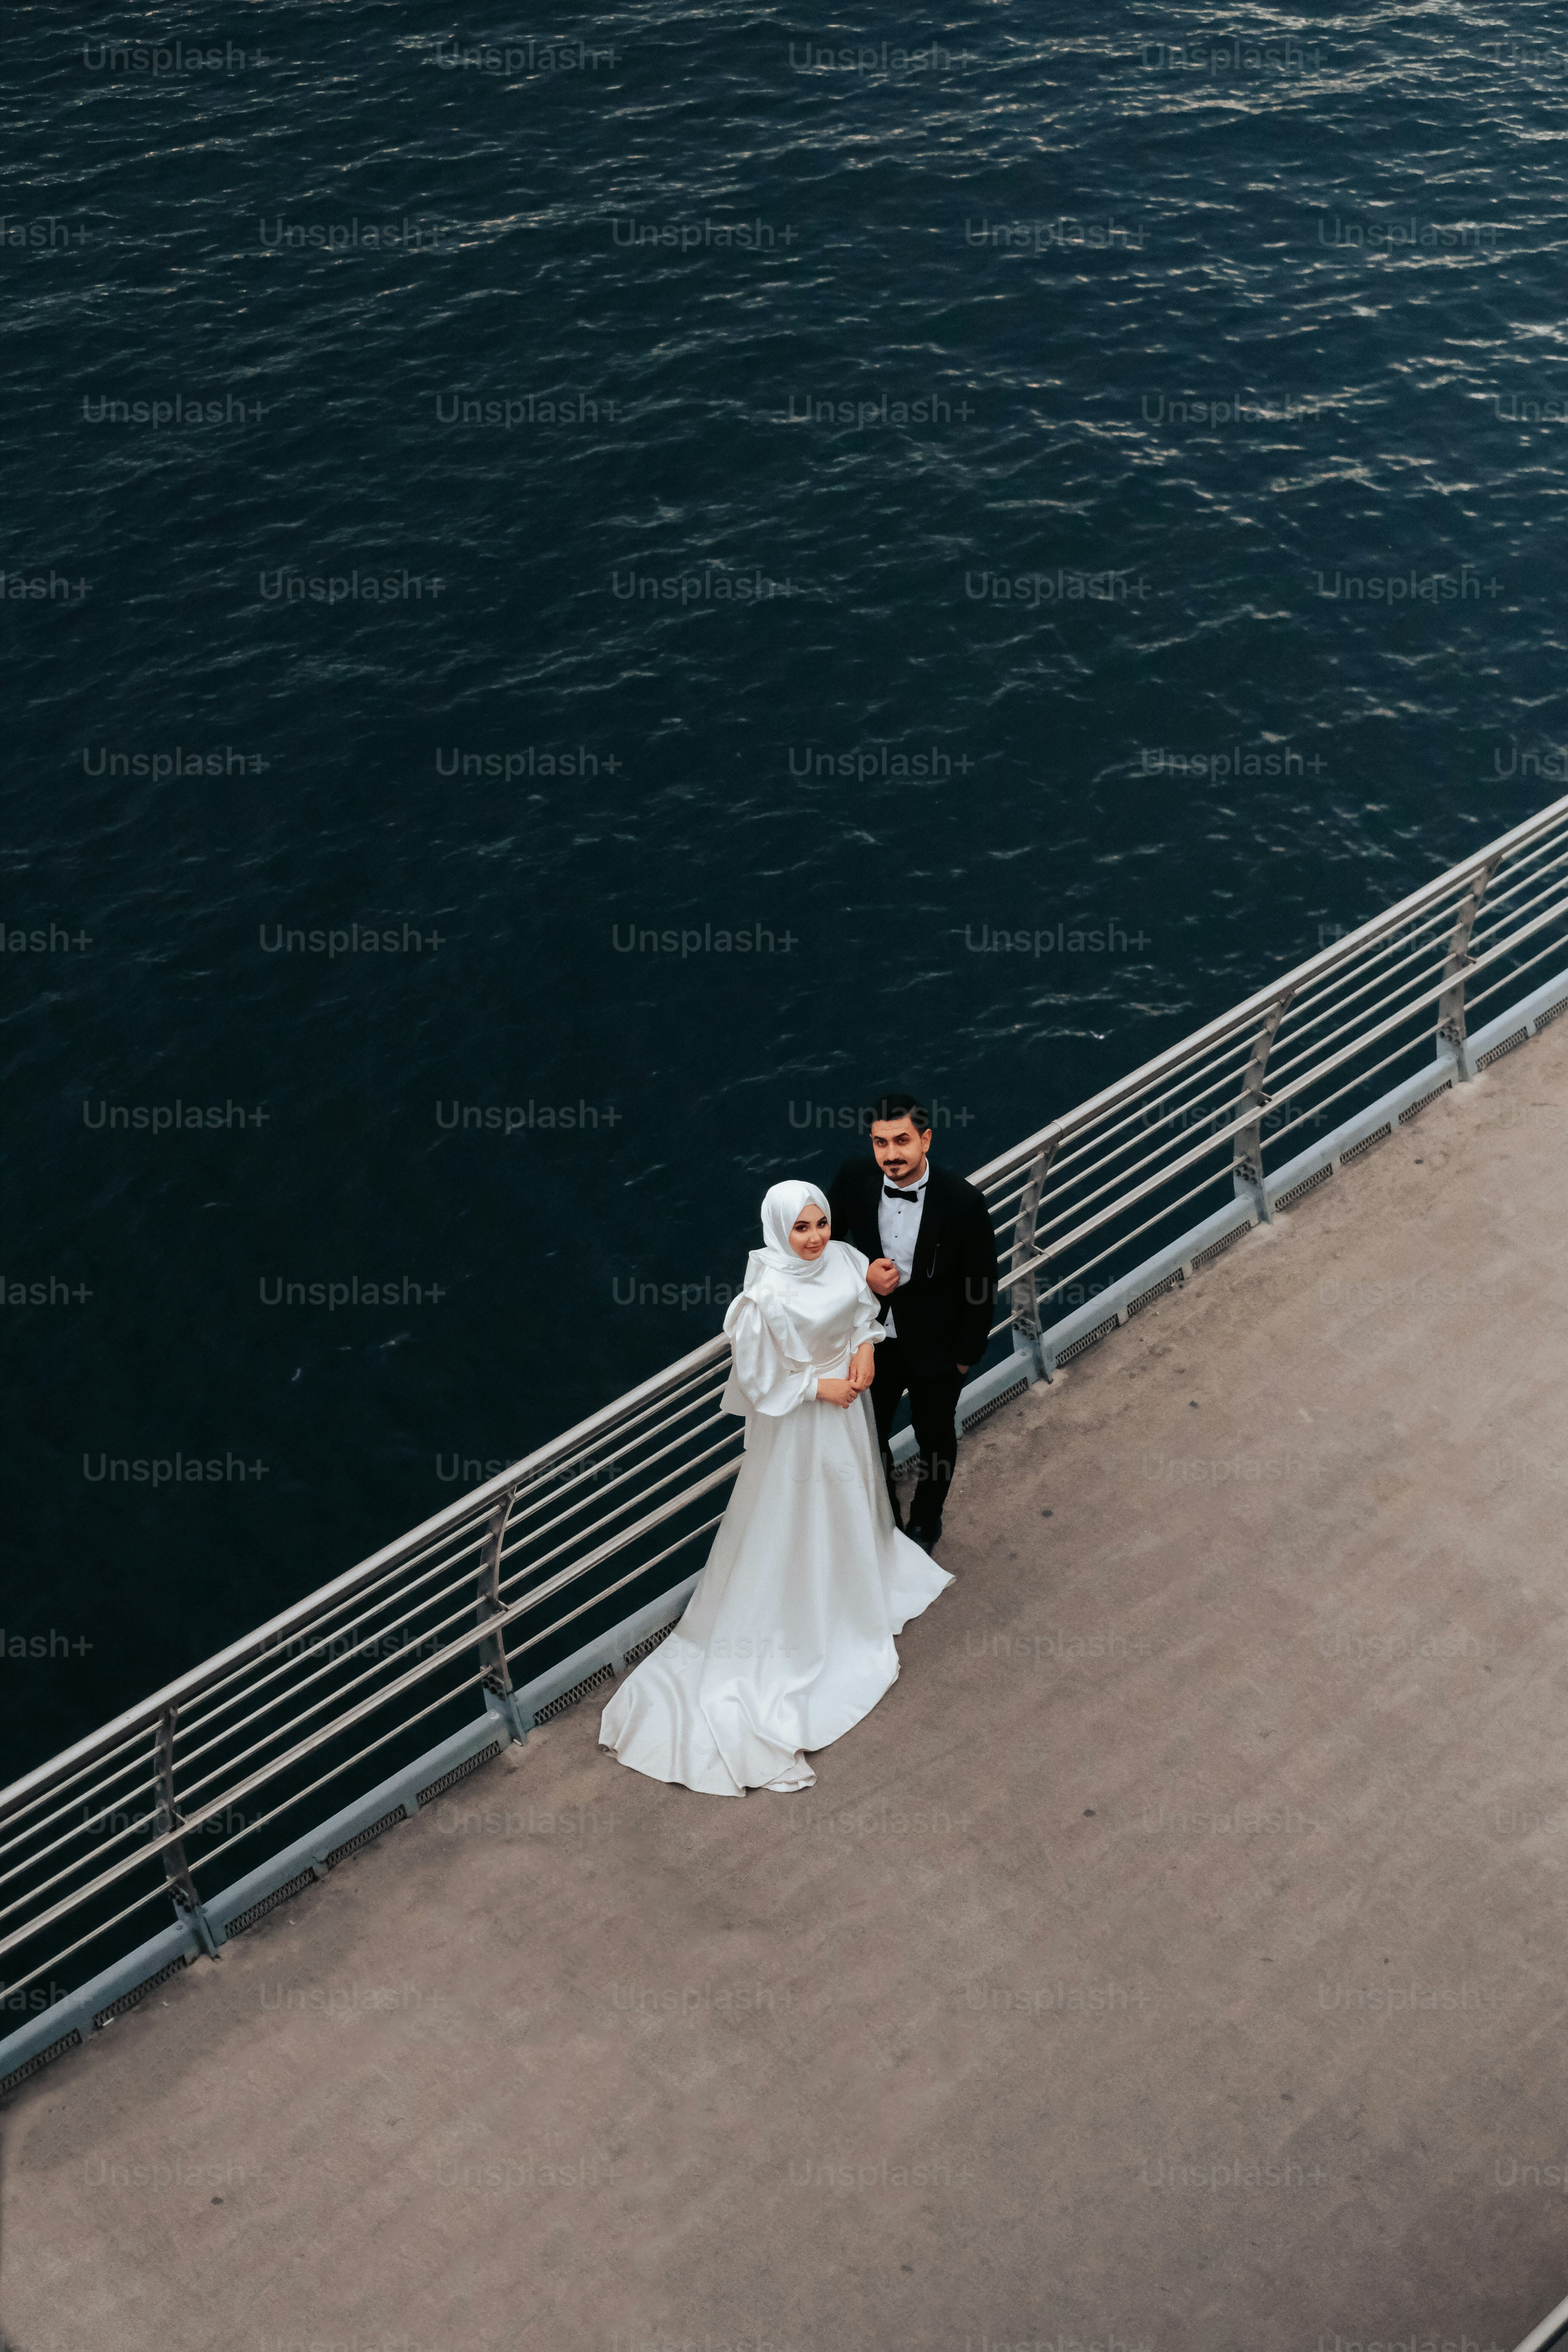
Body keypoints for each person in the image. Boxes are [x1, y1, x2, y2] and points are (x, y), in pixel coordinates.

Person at [597, 1180, 951, 1796]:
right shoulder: (761, 1299)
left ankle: (851, 1580)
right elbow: (762, 1381)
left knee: (851, 1501)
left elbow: (860, 1315)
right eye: (801, 1229)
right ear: (778, 1231)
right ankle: (808, 1612)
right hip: (805, 1426)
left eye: (820, 1223)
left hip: (846, 1415)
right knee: (799, 1515)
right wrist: (822, 1389)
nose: (814, 1237)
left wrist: (865, 1353)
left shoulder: (842, 1257)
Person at [828, 1090, 999, 1554]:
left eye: (901, 1141)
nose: (890, 1155)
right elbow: (822, 1247)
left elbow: (981, 1284)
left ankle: (925, 1523)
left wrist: (965, 1359)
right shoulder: (852, 1179)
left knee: (935, 1439)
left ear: (925, 1139)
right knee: (869, 1437)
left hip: (938, 1351)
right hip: (871, 1342)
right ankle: (886, 1520)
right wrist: (861, 1272)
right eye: (880, 1143)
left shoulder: (963, 1202)